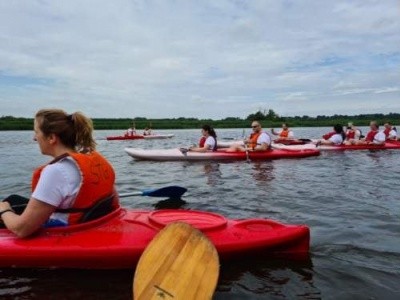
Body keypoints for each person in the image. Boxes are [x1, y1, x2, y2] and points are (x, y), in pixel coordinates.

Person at [0, 109, 119, 238]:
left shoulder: (56, 171)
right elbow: (115, 200)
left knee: (5, 207)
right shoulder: (95, 161)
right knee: (13, 200)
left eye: (36, 132)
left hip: (68, 231)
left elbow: (21, 230)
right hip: (90, 222)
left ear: (51, 138)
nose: (34, 138)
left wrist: (4, 210)